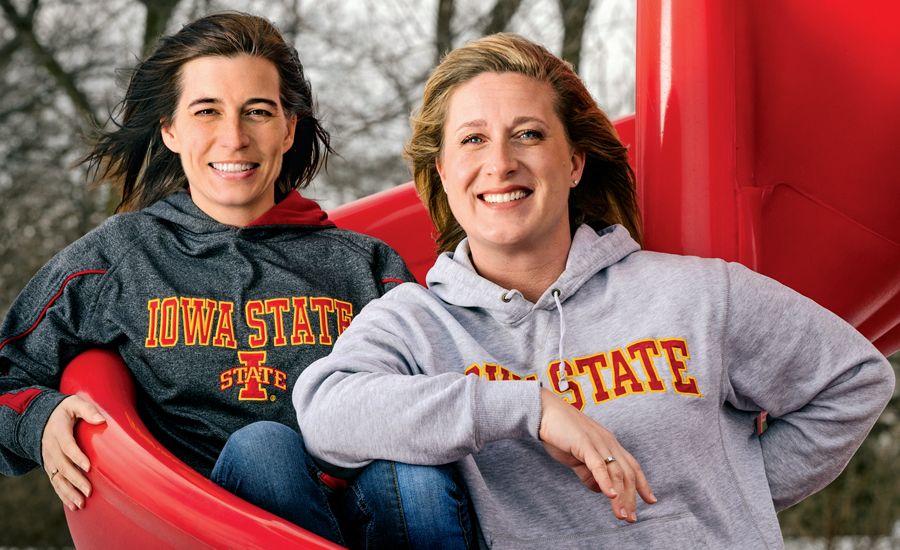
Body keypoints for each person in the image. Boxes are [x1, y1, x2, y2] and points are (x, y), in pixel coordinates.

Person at [292, 33, 896, 548]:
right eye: (473, 140)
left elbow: (853, 379)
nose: (500, 163)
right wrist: (531, 409)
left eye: (527, 134)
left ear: (575, 162)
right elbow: (325, 413)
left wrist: (735, 494)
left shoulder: (699, 295)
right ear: (444, 171)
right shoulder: (414, 321)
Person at [0, 12, 475, 549]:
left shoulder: (364, 266)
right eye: (207, 111)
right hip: (209, 527)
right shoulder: (118, 260)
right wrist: (36, 421)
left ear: (288, 127)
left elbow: (450, 397)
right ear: (170, 130)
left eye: (257, 111)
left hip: (371, 518)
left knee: (418, 475)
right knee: (264, 449)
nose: (234, 137)